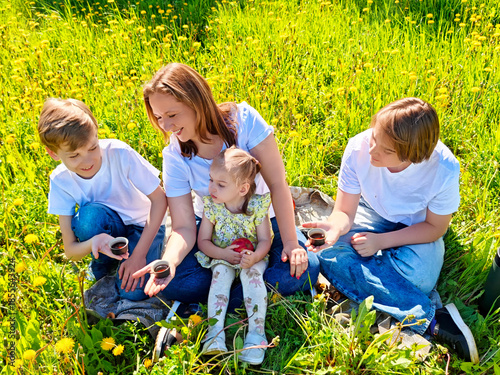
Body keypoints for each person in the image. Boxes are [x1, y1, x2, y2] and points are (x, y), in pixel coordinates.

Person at [303, 97, 479, 363]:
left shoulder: (443, 168)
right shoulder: (358, 149)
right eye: (374, 137)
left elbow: (435, 228)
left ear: (414, 155)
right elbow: (344, 213)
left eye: (386, 151)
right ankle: (433, 319)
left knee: (421, 279)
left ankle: (378, 278)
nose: (372, 150)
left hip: (417, 227)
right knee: (326, 252)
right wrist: (335, 228)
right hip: (370, 213)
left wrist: (380, 242)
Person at [133, 62, 319, 305]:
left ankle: (223, 299)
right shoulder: (174, 156)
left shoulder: (244, 121)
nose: (165, 127)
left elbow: (277, 184)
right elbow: (184, 226)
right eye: (158, 117)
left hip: (264, 222)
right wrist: (169, 260)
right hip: (214, 228)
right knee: (176, 283)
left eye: (172, 115)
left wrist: (292, 244)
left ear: (196, 102)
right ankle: (248, 290)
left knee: (306, 268)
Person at [38, 98, 167, 301]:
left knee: (132, 293)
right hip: (107, 227)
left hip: (145, 224)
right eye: (74, 156)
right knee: (88, 219)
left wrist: (139, 254)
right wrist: (93, 242)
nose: (88, 160)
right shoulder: (60, 180)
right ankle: (104, 264)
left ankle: (128, 259)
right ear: (53, 153)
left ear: (97, 134)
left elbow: (160, 200)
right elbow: (71, 251)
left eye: (92, 148)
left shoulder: (119, 153)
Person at [197, 146, 271, 365]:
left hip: (251, 256)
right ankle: (215, 333)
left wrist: (256, 257)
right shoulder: (212, 206)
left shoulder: (257, 206)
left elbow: (265, 240)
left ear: (242, 189)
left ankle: (257, 335)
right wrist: (222, 255)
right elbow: (203, 241)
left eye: (220, 184)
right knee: (219, 274)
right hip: (222, 255)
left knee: (253, 276)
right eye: (211, 180)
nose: (212, 188)